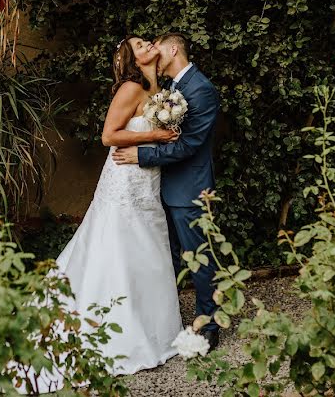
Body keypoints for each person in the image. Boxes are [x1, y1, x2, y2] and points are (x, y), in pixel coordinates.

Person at [45, 35, 184, 380]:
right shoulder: (131, 88)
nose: (149, 44)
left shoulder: (159, 92)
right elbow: (109, 136)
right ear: (133, 59)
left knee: (147, 247)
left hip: (148, 181)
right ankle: (122, 332)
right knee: (120, 245)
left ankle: (156, 329)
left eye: (148, 40)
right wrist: (156, 136)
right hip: (124, 180)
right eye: (140, 44)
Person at [111, 32, 222, 351]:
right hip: (156, 187)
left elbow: (188, 145)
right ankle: (153, 321)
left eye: (156, 45)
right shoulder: (167, 88)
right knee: (163, 260)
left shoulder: (201, 89)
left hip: (189, 190)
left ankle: (210, 324)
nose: (152, 50)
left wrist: (141, 155)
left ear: (173, 49)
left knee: (199, 258)